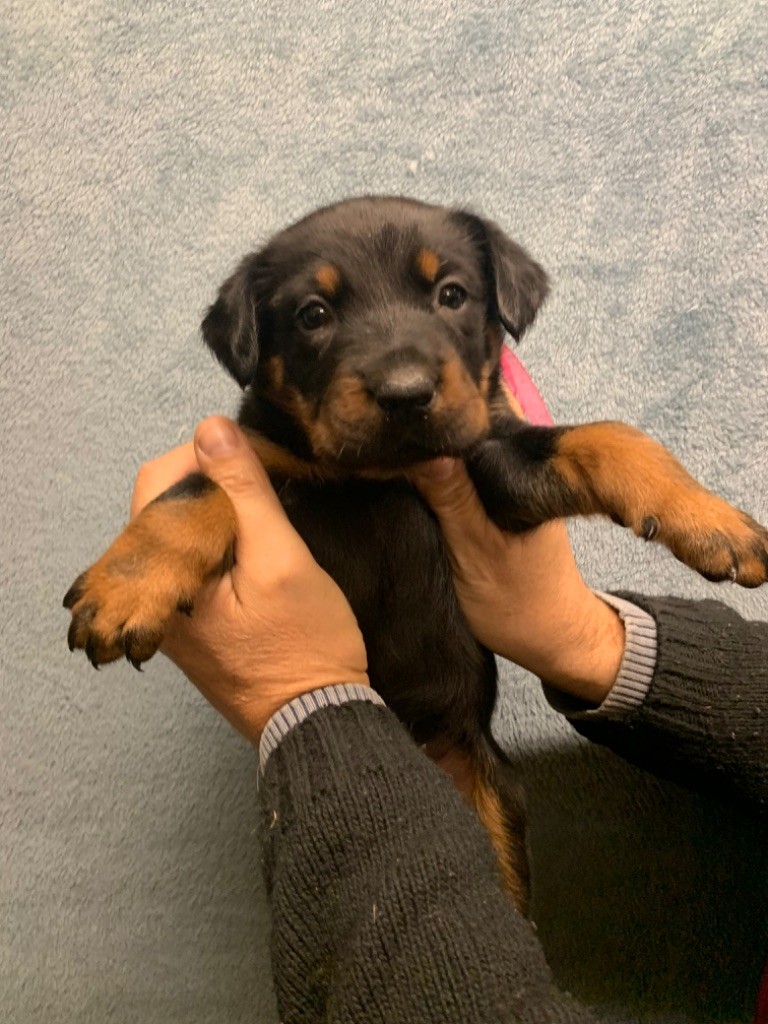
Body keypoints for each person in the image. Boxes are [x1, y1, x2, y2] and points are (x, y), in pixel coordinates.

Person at [132, 416, 768, 1024]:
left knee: (498, 913)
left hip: (458, 754)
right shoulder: (297, 435)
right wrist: (581, 635)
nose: (407, 375)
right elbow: (229, 489)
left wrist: (299, 700)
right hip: (437, 737)